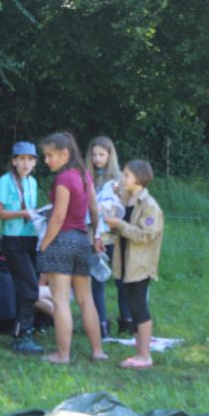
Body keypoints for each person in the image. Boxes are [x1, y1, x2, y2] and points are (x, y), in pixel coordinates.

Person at [38, 132, 107, 364]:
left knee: (60, 300)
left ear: (64, 154)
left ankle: (62, 355)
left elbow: (58, 217)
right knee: (86, 300)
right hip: (81, 241)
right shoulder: (84, 175)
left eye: (50, 155)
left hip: (61, 242)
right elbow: (94, 209)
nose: (46, 160)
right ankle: (97, 351)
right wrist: (96, 236)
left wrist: (44, 245)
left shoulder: (64, 179)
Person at [105, 160, 164, 370]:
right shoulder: (127, 200)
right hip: (125, 262)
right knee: (132, 307)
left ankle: (145, 356)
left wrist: (120, 224)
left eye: (126, 175)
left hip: (140, 265)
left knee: (139, 307)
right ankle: (139, 352)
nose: (122, 179)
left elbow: (145, 235)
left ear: (138, 179)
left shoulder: (150, 206)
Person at [0, 141, 43, 354]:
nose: (26, 163)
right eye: (22, 159)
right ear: (14, 161)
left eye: (30, 159)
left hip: (31, 237)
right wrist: (22, 214)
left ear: (35, 163)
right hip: (13, 239)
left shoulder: (32, 182)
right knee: (30, 287)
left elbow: (32, 210)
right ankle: (22, 334)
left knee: (26, 285)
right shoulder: (5, 181)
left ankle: (24, 326)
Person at [85, 136, 132, 338]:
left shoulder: (120, 178)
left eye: (101, 155)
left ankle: (127, 320)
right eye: (94, 154)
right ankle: (101, 325)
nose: (97, 159)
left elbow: (126, 204)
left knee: (121, 278)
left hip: (114, 235)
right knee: (98, 280)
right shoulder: (86, 176)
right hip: (92, 234)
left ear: (110, 155)